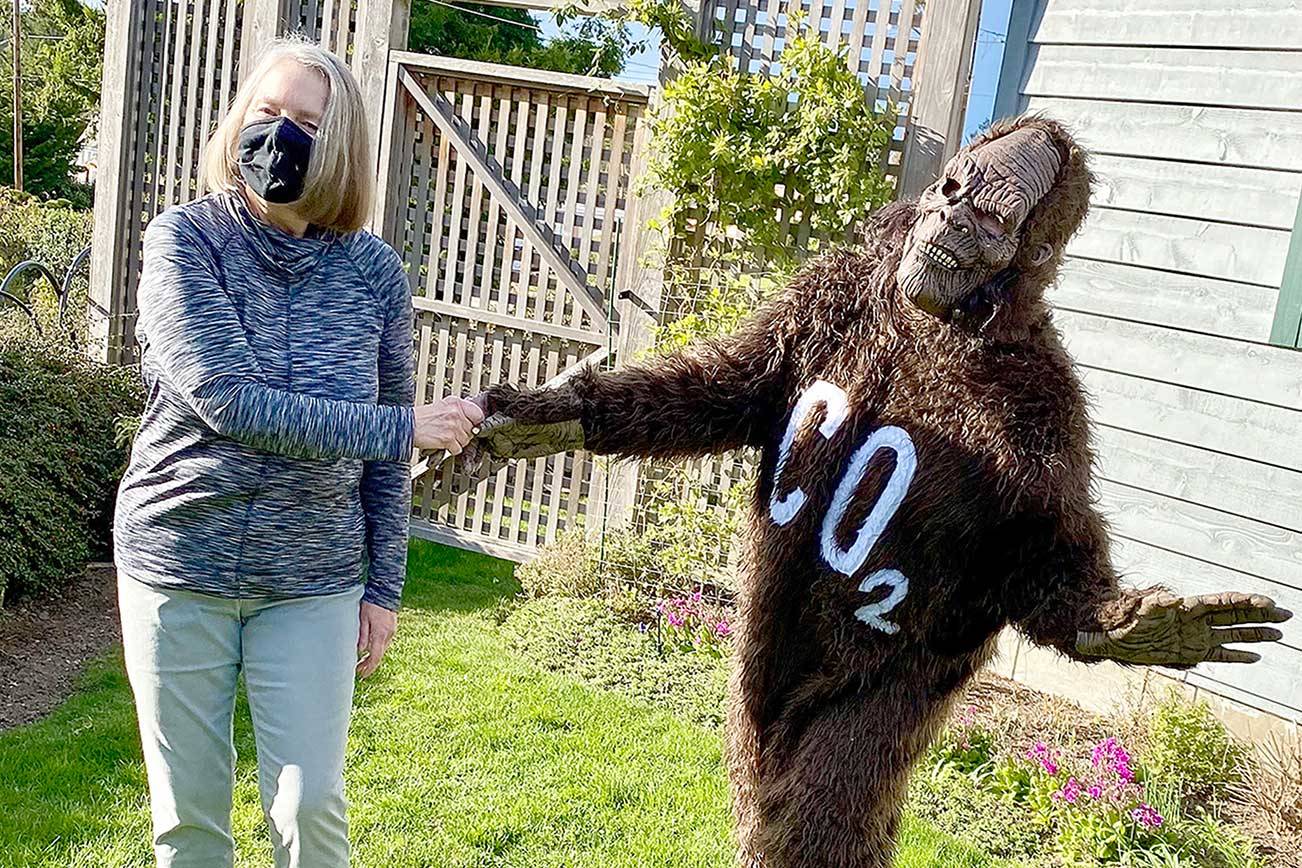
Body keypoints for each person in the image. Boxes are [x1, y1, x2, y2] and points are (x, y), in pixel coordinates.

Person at [113, 37, 480, 868]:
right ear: (237, 119)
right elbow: (229, 401)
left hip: (314, 576)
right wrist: (402, 425)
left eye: (306, 123)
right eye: (266, 113)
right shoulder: (183, 243)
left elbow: (387, 469)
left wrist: (382, 587)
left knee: (309, 805)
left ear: (340, 147)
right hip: (179, 563)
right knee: (190, 819)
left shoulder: (376, 275)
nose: (279, 136)